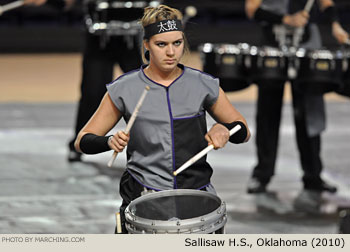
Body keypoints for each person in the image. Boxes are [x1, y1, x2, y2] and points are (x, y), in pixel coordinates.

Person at [74, 4, 250, 233]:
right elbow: (82, 140)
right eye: (161, 44)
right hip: (143, 196)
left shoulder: (203, 84)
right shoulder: (124, 88)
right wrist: (108, 141)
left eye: (177, 43)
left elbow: (243, 130)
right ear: (146, 44)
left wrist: (224, 129)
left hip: (195, 195)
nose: (171, 52)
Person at [245, 0, 349, 194]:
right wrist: (286, 19)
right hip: (272, 44)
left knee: (310, 110)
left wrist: (335, 25)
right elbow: (251, 9)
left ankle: (313, 176)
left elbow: (326, 4)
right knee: (268, 111)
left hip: (307, 43)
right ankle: (262, 175)